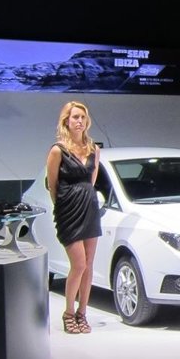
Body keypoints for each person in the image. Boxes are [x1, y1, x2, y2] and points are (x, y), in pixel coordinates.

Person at [46, 100, 101, 334]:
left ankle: (82, 313)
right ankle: (68, 313)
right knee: (78, 264)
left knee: (88, 266)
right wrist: (61, 207)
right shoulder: (58, 150)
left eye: (82, 117)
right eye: (75, 117)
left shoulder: (93, 149)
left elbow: (91, 181)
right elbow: (52, 185)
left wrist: (85, 198)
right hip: (68, 210)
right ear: (66, 121)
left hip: (89, 208)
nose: (79, 121)